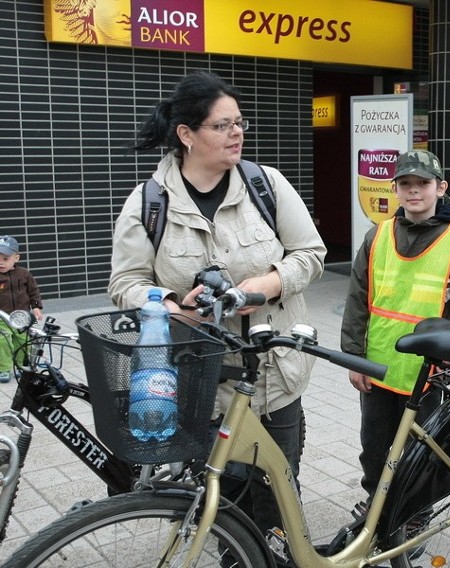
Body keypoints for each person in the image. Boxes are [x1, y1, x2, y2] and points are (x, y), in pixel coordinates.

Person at [108, 71, 326, 536]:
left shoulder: (266, 184)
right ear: (186, 135)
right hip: (200, 382)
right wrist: (171, 304)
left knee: (279, 490)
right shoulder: (149, 202)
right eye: (222, 125)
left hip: (274, 376)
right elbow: (125, 282)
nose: (237, 133)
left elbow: (311, 254)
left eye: (240, 122)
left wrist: (265, 285)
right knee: (223, 497)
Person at [341, 149, 450, 507]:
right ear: (394, 189)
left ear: (441, 188)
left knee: (418, 453)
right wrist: (353, 358)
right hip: (377, 369)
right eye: (405, 183)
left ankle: (412, 514)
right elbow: (357, 299)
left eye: (422, 183)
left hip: (427, 373)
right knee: (375, 448)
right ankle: (374, 508)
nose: (414, 191)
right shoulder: (376, 237)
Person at [0, 236, 44, 384]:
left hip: (21, 317)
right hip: (2, 318)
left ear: (16, 258)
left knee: (24, 342)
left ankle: (21, 365)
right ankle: (4, 368)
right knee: (3, 342)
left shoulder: (24, 273)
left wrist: (36, 307)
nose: (1, 262)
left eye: (5, 258)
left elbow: (33, 291)